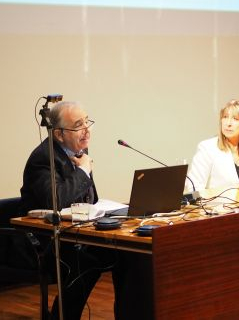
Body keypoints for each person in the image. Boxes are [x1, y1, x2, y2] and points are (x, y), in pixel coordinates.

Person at [20, 101, 152, 319]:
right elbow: (57, 200)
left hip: (79, 232)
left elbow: (89, 200)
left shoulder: (78, 150)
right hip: (47, 240)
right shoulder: (43, 158)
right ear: (59, 134)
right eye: (78, 125)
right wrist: (82, 171)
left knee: (135, 253)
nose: (87, 129)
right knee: (87, 261)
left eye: (87, 122)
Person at [187, 99, 239, 191]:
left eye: (235, 119)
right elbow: (194, 187)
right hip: (216, 205)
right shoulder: (207, 148)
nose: (228, 123)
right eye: (225, 117)